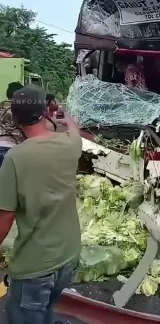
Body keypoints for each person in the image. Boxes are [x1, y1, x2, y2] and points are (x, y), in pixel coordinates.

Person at [0, 84, 83, 323]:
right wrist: (66, 117)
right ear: (47, 111)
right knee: (50, 313)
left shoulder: (16, 157)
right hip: (68, 258)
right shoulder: (70, 145)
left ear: (15, 118)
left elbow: (5, 219)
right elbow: (75, 131)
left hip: (35, 267)